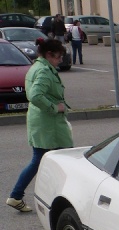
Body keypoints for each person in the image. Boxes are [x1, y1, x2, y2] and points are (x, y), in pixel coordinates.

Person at [6, 38, 73, 213]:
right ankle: (60, 198)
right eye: (58, 57)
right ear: (49, 55)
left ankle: (17, 195)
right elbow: (35, 95)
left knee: (43, 160)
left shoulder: (36, 67)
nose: (59, 61)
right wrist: (54, 107)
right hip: (49, 124)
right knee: (64, 158)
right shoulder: (44, 70)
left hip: (42, 122)